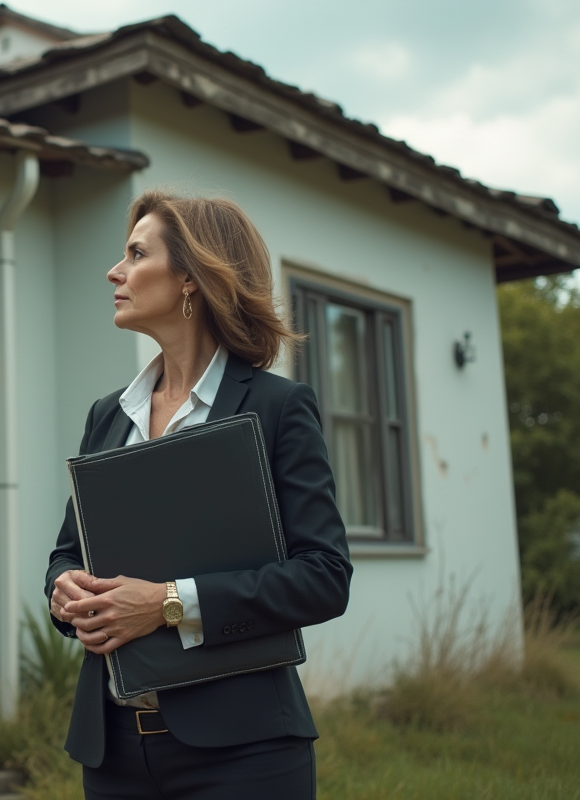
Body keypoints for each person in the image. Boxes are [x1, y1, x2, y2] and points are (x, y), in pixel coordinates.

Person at [45, 191, 353, 799]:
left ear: (191, 277)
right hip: (111, 751)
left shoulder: (277, 408)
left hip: (244, 754)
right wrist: (66, 591)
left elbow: (323, 576)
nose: (115, 271)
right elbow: (67, 553)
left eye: (136, 253)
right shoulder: (109, 415)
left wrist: (165, 603)